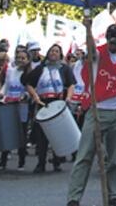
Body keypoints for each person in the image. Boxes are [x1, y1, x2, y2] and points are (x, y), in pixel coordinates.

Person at [66, 24, 116, 206]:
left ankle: (113, 195)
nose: (114, 46)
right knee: (85, 155)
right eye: (112, 42)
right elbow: (91, 50)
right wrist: (88, 28)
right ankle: (74, 198)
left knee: (115, 158)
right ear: (107, 39)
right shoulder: (98, 55)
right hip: (98, 110)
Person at [24, 43, 74, 173]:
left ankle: (57, 161)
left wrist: (68, 97)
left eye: (56, 51)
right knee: (42, 135)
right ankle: (41, 162)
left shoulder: (65, 69)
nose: (53, 53)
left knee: (59, 134)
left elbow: (71, 85)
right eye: (51, 51)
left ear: (60, 54)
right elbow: (28, 83)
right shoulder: (41, 68)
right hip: (44, 103)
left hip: (59, 102)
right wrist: (35, 97)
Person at [0, 46, 32, 169]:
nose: (20, 60)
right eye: (18, 58)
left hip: (22, 106)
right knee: (7, 132)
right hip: (9, 104)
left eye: (23, 58)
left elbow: (31, 90)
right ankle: (3, 160)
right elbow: (6, 85)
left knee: (21, 133)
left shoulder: (29, 73)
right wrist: (1, 93)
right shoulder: (11, 70)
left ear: (28, 60)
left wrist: (25, 96)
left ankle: (21, 161)